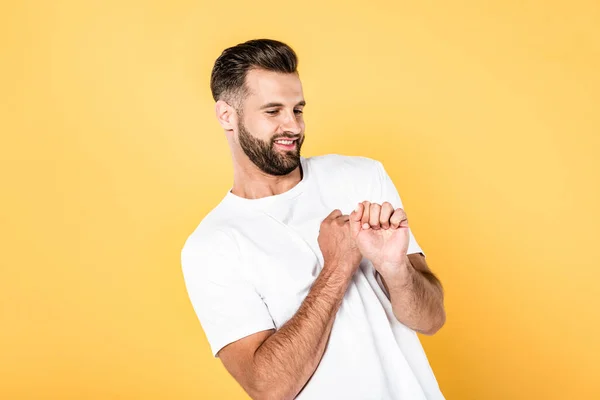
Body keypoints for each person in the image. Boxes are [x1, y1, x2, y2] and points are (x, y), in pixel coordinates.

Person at [181, 38, 446, 400]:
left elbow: (431, 320)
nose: (292, 126)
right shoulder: (213, 245)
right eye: (273, 112)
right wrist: (337, 268)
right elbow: (269, 388)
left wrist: (395, 269)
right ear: (227, 115)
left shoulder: (361, 178)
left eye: (298, 110)